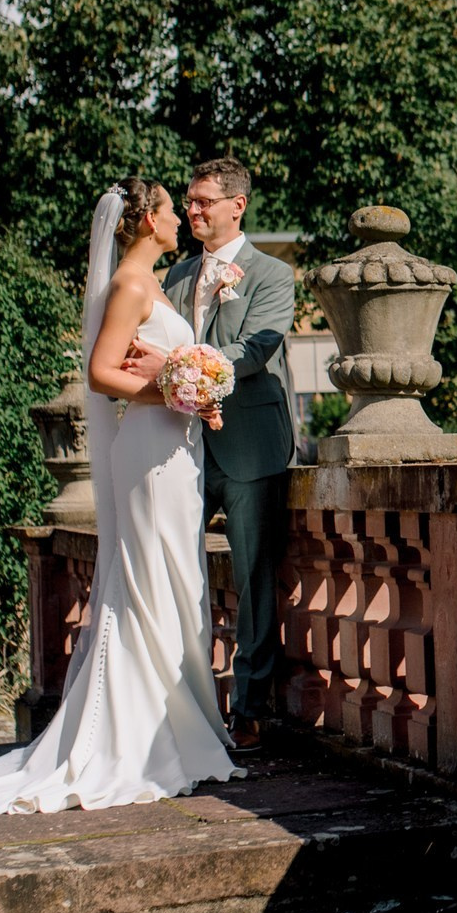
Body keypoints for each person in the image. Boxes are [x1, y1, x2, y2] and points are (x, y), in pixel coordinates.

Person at [0, 181, 238, 813]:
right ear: (145, 223)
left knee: (175, 577)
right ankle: (144, 740)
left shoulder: (155, 283)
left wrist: (188, 380)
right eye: (169, 209)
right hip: (151, 449)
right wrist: (178, 388)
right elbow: (102, 374)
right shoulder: (132, 286)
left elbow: (147, 364)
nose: (178, 219)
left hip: (176, 449)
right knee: (147, 582)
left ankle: (177, 725)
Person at [124, 159, 294, 752]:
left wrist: (177, 368)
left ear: (236, 206)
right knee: (171, 571)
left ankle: (249, 708)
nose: (192, 211)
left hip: (249, 446)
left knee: (252, 580)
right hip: (181, 447)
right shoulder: (174, 276)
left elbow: (251, 353)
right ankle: (178, 709)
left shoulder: (273, 275)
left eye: (202, 202)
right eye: (189, 203)